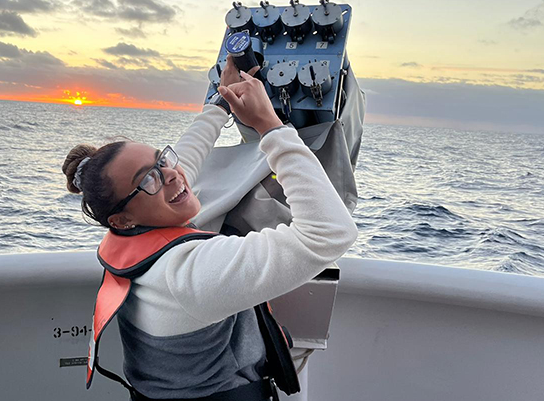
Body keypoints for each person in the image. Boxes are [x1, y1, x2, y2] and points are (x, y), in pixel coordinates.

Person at [62, 56, 358, 400]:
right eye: (148, 178)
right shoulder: (191, 274)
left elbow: (183, 160)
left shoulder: (133, 236)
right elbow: (329, 232)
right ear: (121, 218)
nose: (170, 174)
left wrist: (220, 102)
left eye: (161, 159)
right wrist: (270, 127)